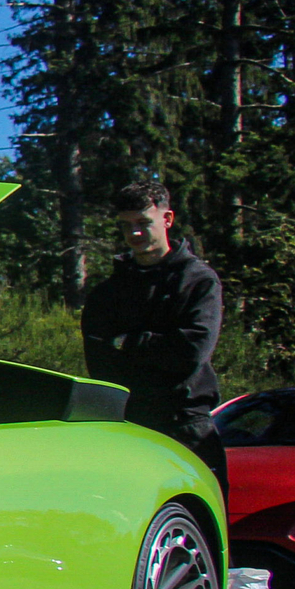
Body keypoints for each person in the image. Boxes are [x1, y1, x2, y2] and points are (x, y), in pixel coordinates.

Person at [81, 181, 226, 487]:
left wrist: (128, 342)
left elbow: (192, 352)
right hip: (129, 427)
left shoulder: (198, 281)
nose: (134, 234)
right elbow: (101, 366)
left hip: (187, 428)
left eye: (144, 223)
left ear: (167, 219)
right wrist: (159, 349)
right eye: (126, 225)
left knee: (199, 525)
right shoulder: (106, 293)